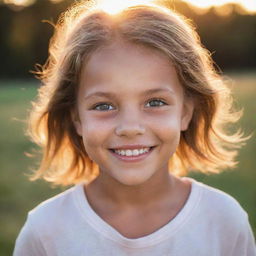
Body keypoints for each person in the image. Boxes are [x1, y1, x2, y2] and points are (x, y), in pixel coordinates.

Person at [13, 1, 256, 255]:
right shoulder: (46, 231)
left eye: (155, 102)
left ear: (185, 113)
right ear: (77, 118)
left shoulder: (223, 221)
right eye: (104, 106)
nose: (130, 128)